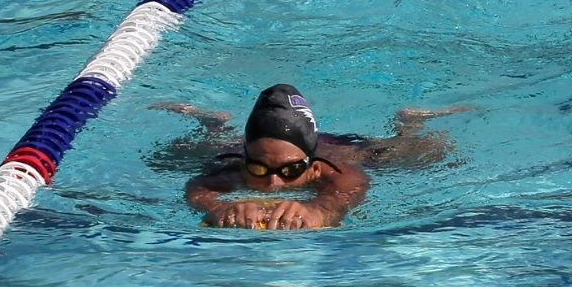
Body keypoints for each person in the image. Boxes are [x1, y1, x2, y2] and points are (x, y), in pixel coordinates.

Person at [156, 85, 461, 231]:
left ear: (313, 167)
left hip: (346, 147)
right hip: (238, 145)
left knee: (417, 154)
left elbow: (341, 198)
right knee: (194, 151)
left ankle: (409, 123)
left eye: (290, 170)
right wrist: (218, 208)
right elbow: (198, 188)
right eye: (259, 168)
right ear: (245, 160)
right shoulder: (234, 166)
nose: (273, 183)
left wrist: (317, 212)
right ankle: (215, 124)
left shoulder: (338, 169)